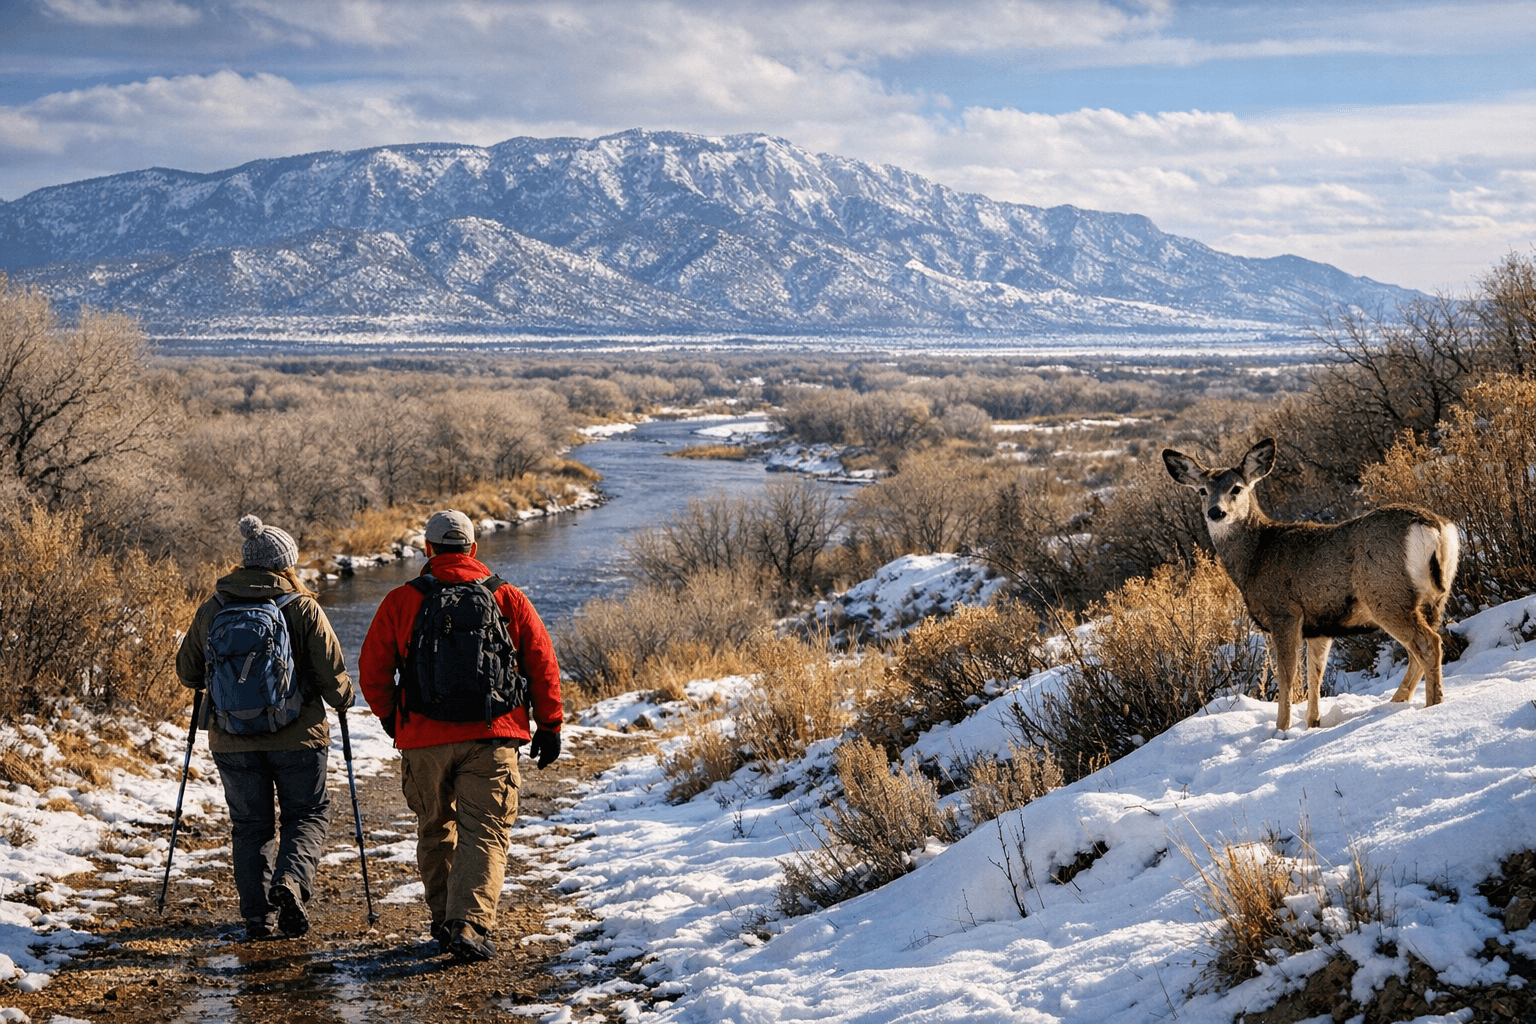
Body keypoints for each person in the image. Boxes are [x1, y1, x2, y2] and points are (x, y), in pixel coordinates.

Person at [359, 509, 563, 963]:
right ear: (473, 548)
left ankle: (443, 921)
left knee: (435, 827)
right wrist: (549, 725)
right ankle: (468, 923)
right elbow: (541, 663)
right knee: (485, 830)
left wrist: (396, 720)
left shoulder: (401, 600)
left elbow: (372, 673)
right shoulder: (507, 596)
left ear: (428, 550)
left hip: (423, 738)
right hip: (493, 735)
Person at [176, 515, 355, 941]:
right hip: (300, 737)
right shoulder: (302, 606)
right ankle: (289, 884)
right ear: (286, 564)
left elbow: (187, 672)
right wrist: (345, 699)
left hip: (232, 738)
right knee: (307, 813)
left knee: (250, 825)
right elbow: (333, 677)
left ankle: (257, 917)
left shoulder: (214, 606)